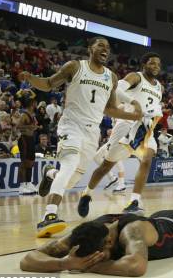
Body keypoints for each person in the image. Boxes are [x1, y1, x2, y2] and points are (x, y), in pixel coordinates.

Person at [19, 37, 143, 238]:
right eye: (100, 45)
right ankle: (49, 216)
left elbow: (109, 109)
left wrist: (133, 115)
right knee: (69, 164)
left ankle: (50, 174)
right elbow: (50, 83)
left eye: (108, 47)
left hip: (92, 132)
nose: (105, 49)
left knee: (69, 180)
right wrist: (31, 78)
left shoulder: (111, 77)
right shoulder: (75, 67)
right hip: (71, 125)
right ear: (90, 48)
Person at [20, 184, 173, 276]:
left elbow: (137, 265)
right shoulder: (87, 233)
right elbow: (27, 261)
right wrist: (64, 263)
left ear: (109, 244)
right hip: (161, 220)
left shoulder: (131, 233)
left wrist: (93, 266)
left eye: (97, 256)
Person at [78, 53, 163, 217]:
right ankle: (87, 193)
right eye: (152, 63)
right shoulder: (135, 77)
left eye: (158, 64)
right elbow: (117, 90)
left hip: (145, 127)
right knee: (106, 166)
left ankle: (134, 201)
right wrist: (132, 104)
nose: (156, 67)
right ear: (144, 64)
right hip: (126, 124)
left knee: (146, 160)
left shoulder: (160, 87)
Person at [15, 89, 38, 196]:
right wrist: (30, 127)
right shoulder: (24, 114)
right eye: (35, 103)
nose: (36, 104)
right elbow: (18, 127)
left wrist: (33, 127)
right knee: (24, 163)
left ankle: (28, 183)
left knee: (31, 162)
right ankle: (21, 186)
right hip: (23, 139)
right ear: (32, 104)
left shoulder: (32, 114)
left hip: (30, 139)